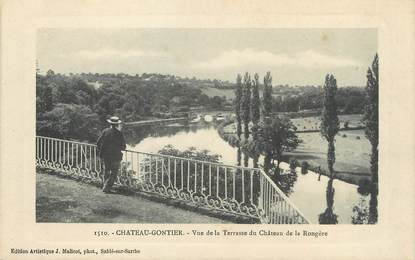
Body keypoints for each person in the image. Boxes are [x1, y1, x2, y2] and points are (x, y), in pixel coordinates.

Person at [97, 116, 126, 193]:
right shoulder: (119, 134)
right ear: (117, 125)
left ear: (110, 123)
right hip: (116, 156)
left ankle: (105, 186)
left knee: (106, 171)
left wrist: (102, 151)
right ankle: (106, 187)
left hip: (105, 155)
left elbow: (98, 143)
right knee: (114, 172)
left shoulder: (105, 131)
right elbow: (123, 147)